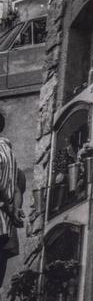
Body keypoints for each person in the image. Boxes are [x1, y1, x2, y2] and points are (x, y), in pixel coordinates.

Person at [0, 111, 25, 283]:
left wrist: (9, 210)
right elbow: (17, 185)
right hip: (5, 226)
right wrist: (15, 210)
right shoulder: (8, 150)